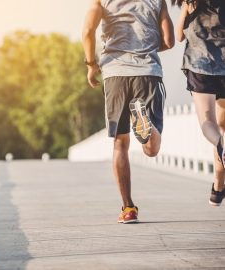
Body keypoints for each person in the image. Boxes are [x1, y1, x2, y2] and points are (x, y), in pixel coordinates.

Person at [82, 0, 174, 223]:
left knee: (120, 143)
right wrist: (149, 46)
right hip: (148, 73)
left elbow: (87, 31)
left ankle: (128, 208)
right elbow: (169, 41)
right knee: (151, 149)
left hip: (115, 74)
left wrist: (91, 64)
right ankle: (146, 124)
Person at [172, 0, 225, 206]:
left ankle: (219, 178)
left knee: (209, 124)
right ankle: (218, 186)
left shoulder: (190, 2)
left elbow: (178, 36)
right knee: (222, 127)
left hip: (200, 67)